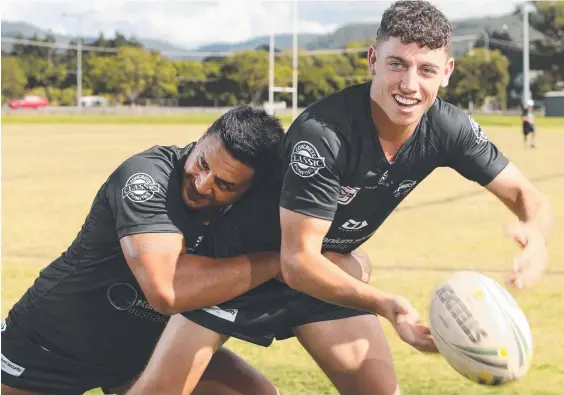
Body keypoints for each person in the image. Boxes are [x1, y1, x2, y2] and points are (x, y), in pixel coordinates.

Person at [126, 1, 554, 394]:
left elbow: (526, 195)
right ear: (372, 60)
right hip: (240, 268)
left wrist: (536, 235)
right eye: (396, 64)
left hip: (324, 281)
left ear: (447, 71)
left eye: (426, 70)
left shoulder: (449, 128)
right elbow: (296, 261)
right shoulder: (324, 135)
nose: (409, 84)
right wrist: (388, 305)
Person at [2, 105, 314, 395]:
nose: (203, 184)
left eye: (225, 184)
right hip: (48, 343)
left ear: (251, 191)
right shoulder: (146, 177)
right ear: (203, 136)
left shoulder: (256, 207)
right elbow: (166, 290)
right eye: (202, 163)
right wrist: (276, 263)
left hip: (142, 350)